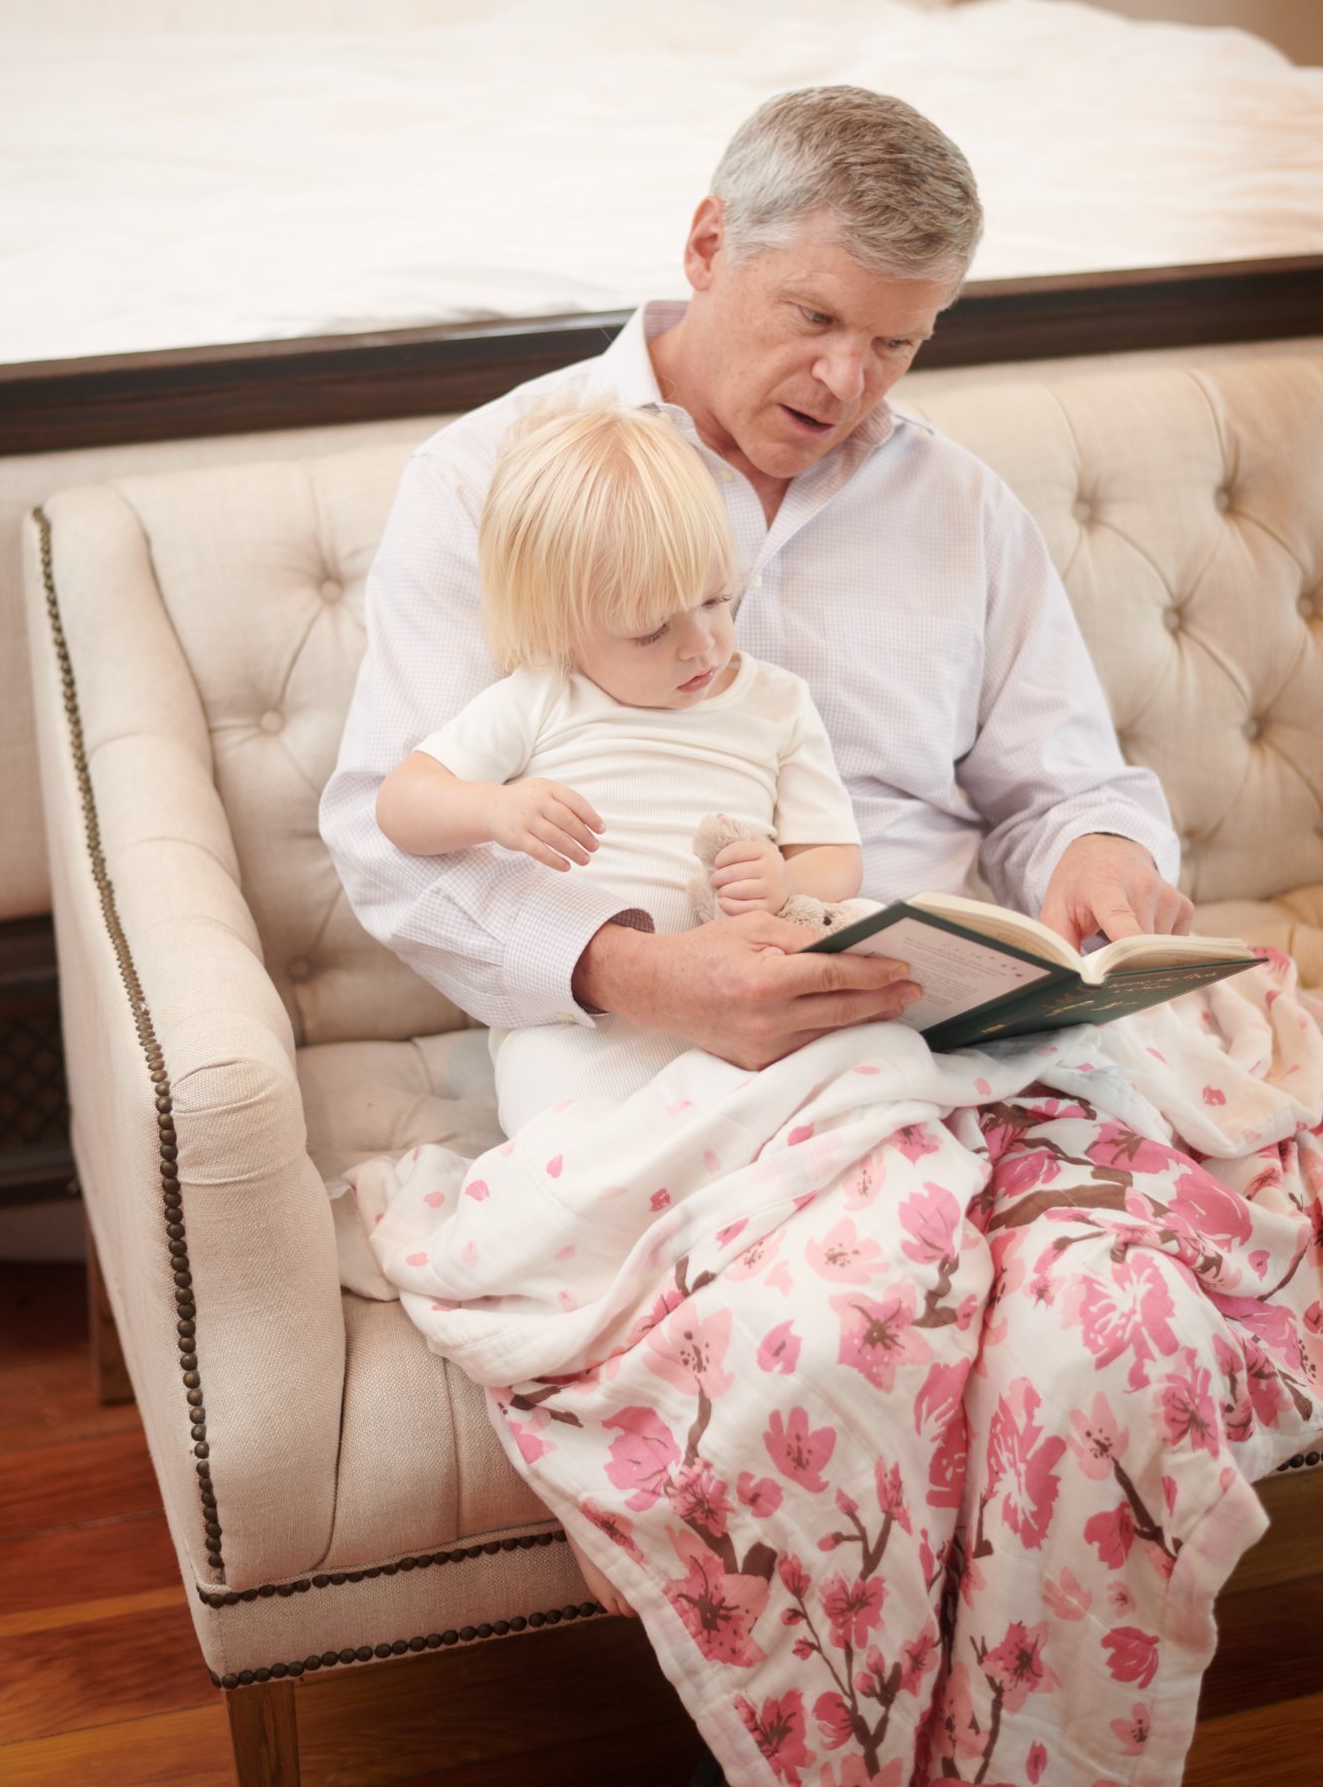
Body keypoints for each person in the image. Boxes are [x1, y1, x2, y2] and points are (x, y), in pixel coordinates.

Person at [320, 85, 1193, 1070]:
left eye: (894, 343)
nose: (844, 380)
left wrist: (1101, 853)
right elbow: (385, 833)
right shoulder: (485, 481)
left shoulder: (964, 506)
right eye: (814, 315)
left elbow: (1064, 789)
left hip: (956, 1027)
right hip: (651, 1037)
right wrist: (635, 969)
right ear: (706, 246)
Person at [374, 394, 885, 1134]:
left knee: (865, 1002)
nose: (703, 644)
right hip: (589, 1020)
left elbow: (834, 858)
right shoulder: (541, 698)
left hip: (755, 993)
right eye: (651, 631)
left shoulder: (775, 702)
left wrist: (787, 879)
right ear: (561, 624)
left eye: (717, 599)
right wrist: (492, 810)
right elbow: (400, 805)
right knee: (574, 1138)